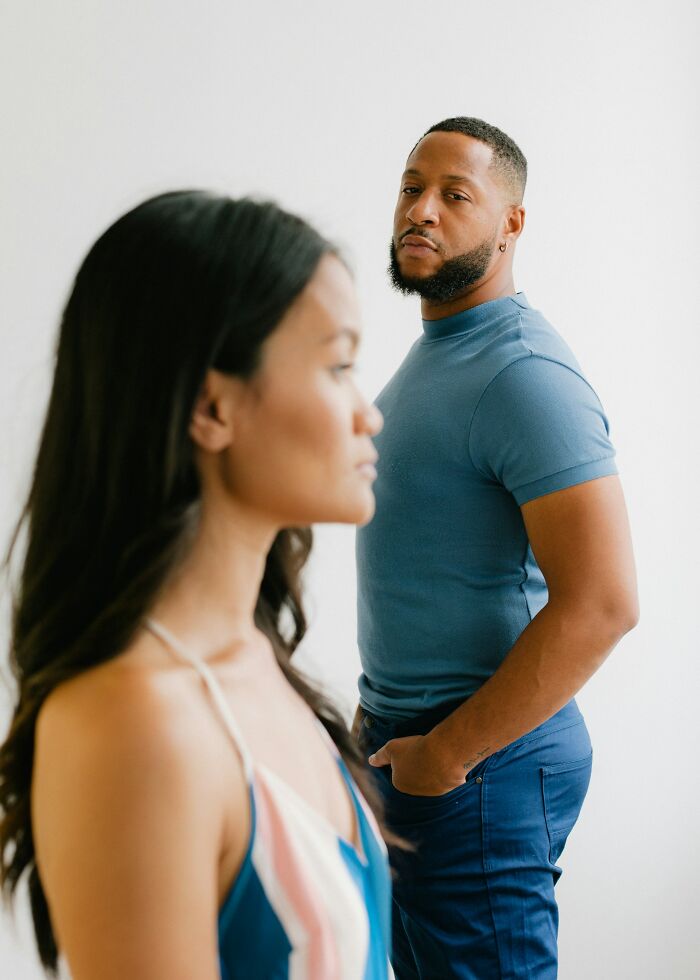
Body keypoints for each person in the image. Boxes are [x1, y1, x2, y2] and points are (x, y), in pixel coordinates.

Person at [0, 191, 393, 979]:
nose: (368, 414)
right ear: (212, 405)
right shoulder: (134, 721)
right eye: (339, 364)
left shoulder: (254, 658)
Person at [355, 117, 639, 979]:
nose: (422, 211)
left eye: (456, 194)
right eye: (412, 188)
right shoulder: (435, 356)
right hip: (420, 755)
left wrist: (448, 752)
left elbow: (604, 601)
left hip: (483, 768)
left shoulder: (523, 374)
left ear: (512, 224)